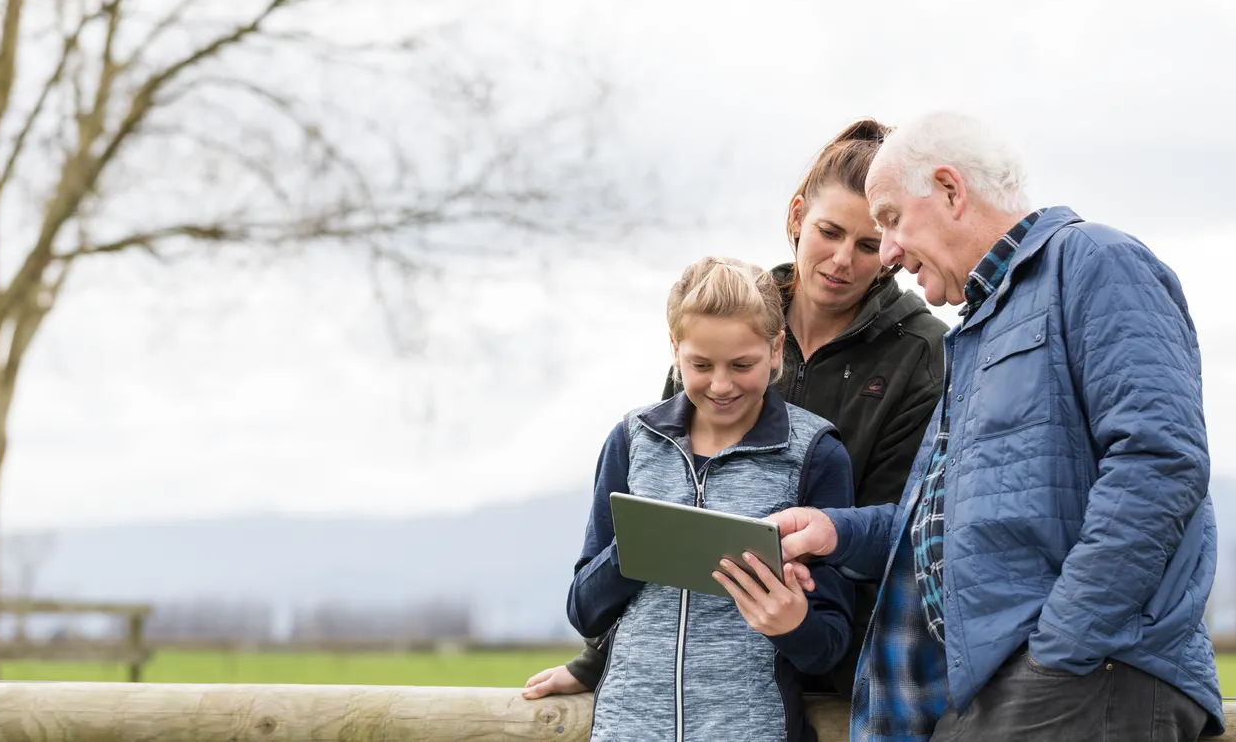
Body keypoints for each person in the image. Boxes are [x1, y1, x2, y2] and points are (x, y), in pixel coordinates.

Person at [774, 111, 1224, 741]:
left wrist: (1060, 652)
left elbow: (1160, 462)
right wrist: (835, 533)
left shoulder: (1094, 260)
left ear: (952, 191)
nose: (892, 255)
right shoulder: (979, 332)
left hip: (1086, 681)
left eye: (892, 220)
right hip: (1010, 689)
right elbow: (950, 527)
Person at [524, 119, 948, 700]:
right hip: (699, 670)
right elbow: (665, 508)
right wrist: (597, 660)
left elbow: (895, 527)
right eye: (828, 231)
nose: (843, 259)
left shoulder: (920, 355)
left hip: (837, 663)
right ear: (798, 216)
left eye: (868, 244)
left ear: (892, 249)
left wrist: (813, 636)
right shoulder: (727, 323)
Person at [567, 256, 854, 742]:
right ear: (675, 350)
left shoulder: (816, 454)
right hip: (626, 729)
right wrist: (642, 545)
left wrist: (792, 622)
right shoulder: (631, 440)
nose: (721, 385)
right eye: (701, 365)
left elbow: (830, 644)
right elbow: (584, 610)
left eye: (743, 365)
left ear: (777, 348)